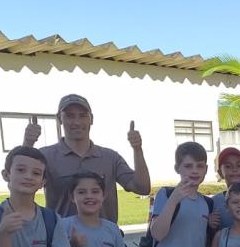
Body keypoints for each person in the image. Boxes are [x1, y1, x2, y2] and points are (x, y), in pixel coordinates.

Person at [23, 94, 150, 222]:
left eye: (82, 115)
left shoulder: (110, 158)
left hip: (105, 234)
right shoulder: (46, 156)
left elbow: (142, 188)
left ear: (91, 119)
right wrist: (28, 143)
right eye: (70, 116)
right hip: (60, 234)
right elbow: (21, 187)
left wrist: (137, 149)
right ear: (59, 119)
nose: (77, 122)